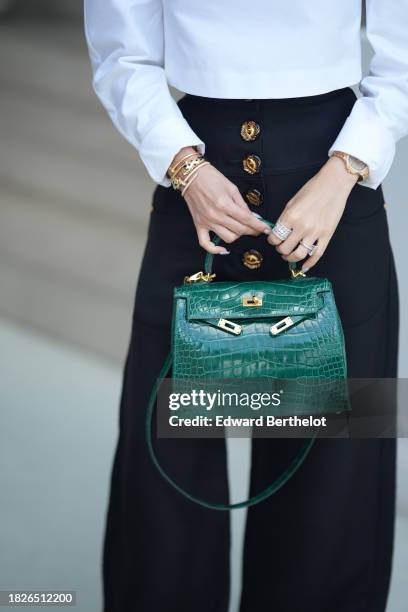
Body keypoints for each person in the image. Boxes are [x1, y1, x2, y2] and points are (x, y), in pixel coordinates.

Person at [84, 2, 407, 611]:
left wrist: (344, 171)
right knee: (168, 465)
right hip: (196, 182)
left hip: (333, 185)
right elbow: (121, 52)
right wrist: (186, 168)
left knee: (330, 473)